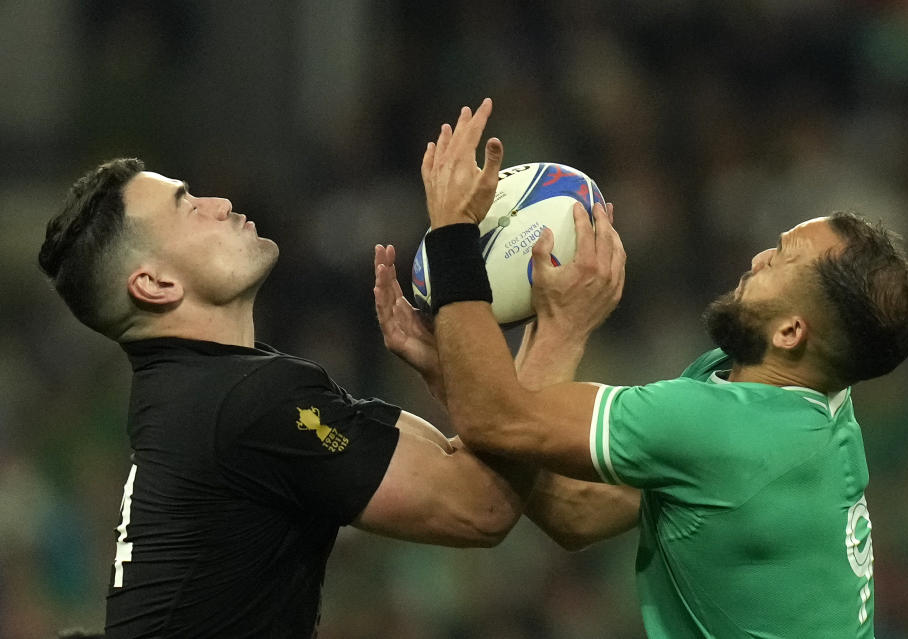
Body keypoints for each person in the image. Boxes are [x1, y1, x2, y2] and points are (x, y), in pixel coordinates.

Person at [396, 98, 908, 638]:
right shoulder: (804, 393)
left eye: (782, 259)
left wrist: (454, 232)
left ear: (791, 333)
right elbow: (579, 513)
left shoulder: (727, 429)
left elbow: (496, 417)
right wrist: (456, 377)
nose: (759, 258)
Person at [38, 158, 558, 639]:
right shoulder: (244, 402)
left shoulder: (209, 395)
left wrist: (444, 373)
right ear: (155, 284)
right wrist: (556, 319)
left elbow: (458, 461)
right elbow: (482, 506)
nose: (219, 204)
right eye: (188, 206)